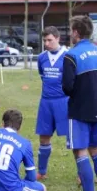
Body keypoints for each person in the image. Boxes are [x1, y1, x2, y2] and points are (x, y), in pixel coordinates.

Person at [62, 16, 97, 191]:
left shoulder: (71, 55)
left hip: (79, 110)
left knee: (81, 152)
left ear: (76, 32)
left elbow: (67, 87)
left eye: (70, 30)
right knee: (96, 151)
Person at [35, 26, 68, 180]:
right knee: (44, 136)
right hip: (46, 101)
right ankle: (42, 172)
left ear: (58, 38)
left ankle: (82, 173)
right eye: (45, 40)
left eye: (50, 40)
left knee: (73, 137)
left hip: (63, 101)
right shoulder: (41, 57)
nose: (47, 43)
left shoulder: (68, 56)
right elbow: (42, 75)